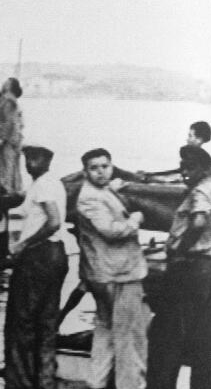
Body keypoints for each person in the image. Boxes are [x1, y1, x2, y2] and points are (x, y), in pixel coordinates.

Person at [147, 145, 211, 389]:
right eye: (182, 167)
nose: (184, 172)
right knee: (201, 338)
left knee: (170, 333)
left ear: (204, 169)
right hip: (207, 269)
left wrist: (180, 251)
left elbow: (199, 222)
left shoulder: (200, 192)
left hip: (191, 268)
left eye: (190, 167)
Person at [75, 148, 149, 389]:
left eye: (105, 166)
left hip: (103, 273)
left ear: (111, 166)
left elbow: (106, 200)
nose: (100, 172)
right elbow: (110, 230)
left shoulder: (99, 190)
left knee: (105, 332)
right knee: (129, 337)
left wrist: (114, 189)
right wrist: (135, 220)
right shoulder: (90, 197)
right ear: (85, 172)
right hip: (119, 274)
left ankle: (96, 383)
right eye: (94, 168)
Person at [4, 145, 68, 389]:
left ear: (48, 160)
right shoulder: (52, 184)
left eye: (35, 158)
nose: (30, 162)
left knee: (23, 322)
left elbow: (54, 222)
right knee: (47, 323)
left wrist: (24, 244)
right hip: (56, 255)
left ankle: (21, 383)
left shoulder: (43, 185)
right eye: (27, 158)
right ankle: (44, 381)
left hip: (39, 256)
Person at [0, 77, 25, 193]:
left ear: (9, 86)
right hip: (15, 138)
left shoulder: (8, 101)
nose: (3, 83)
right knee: (13, 166)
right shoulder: (11, 100)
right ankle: (15, 189)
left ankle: (9, 190)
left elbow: (8, 120)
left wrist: (2, 138)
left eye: (6, 82)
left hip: (8, 139)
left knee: (7, 165)